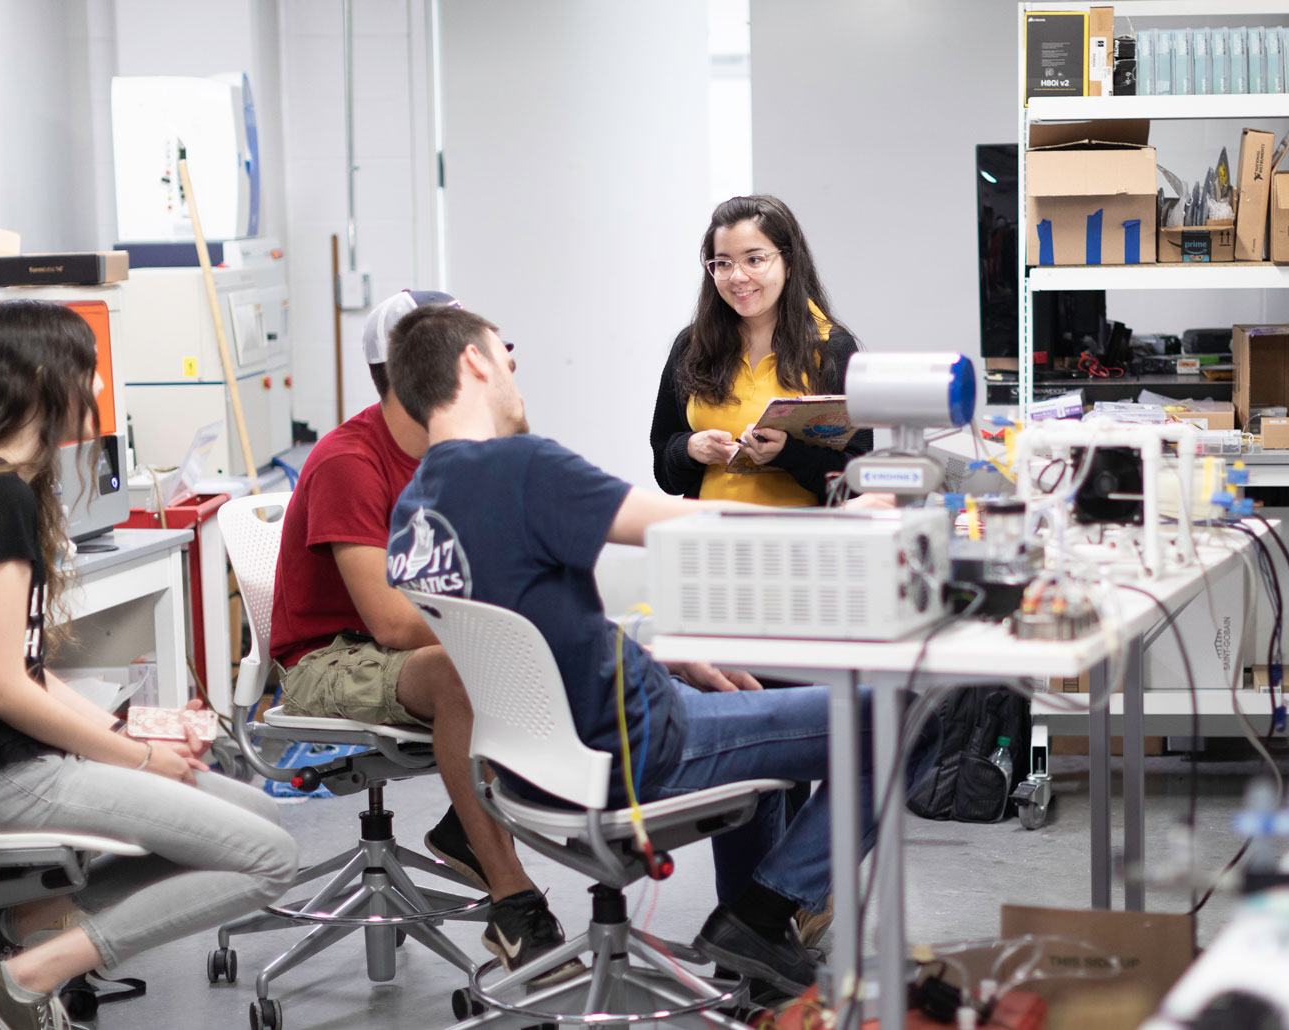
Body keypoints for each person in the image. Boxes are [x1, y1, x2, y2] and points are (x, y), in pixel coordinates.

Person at [384, 303, 932, 999]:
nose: (517, 380)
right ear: (474, 363)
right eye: (508, 360)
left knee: (746, 699)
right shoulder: (519, 466)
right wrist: (842, 524)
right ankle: (760, 920)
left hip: (526, 770)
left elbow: (534, 630)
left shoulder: (416, 509)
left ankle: (750, 963)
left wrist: (668, 658)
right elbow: (694, 524)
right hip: (636, 748)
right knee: (909, 715)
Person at [0, 300, 298, 1030]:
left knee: (258, 820)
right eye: (89, 374)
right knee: (268, 858)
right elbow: (0, 686)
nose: (99, 392)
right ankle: (23, 976)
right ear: (45, 380)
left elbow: (26, 674)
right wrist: (137, 759)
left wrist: (129, 729)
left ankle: (30, 919)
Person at [267, 289, 572, 976]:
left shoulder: (459, 450)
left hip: (417, 643)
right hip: (331, 656)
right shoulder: (353, 462)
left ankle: (469, 829)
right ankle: (512, 900)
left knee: (541, 647)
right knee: (468, 669)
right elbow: (392, 621)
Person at [650, 194, 871, 507]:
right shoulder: (692, 345)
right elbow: (664, 472)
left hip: (804, 545)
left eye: (754, 260)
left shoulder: (832, 347)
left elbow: (856, 480)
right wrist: (688, 450)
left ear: (789, 263)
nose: (737, 277)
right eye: (723, 263)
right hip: (709, 541)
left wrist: (788, 454)